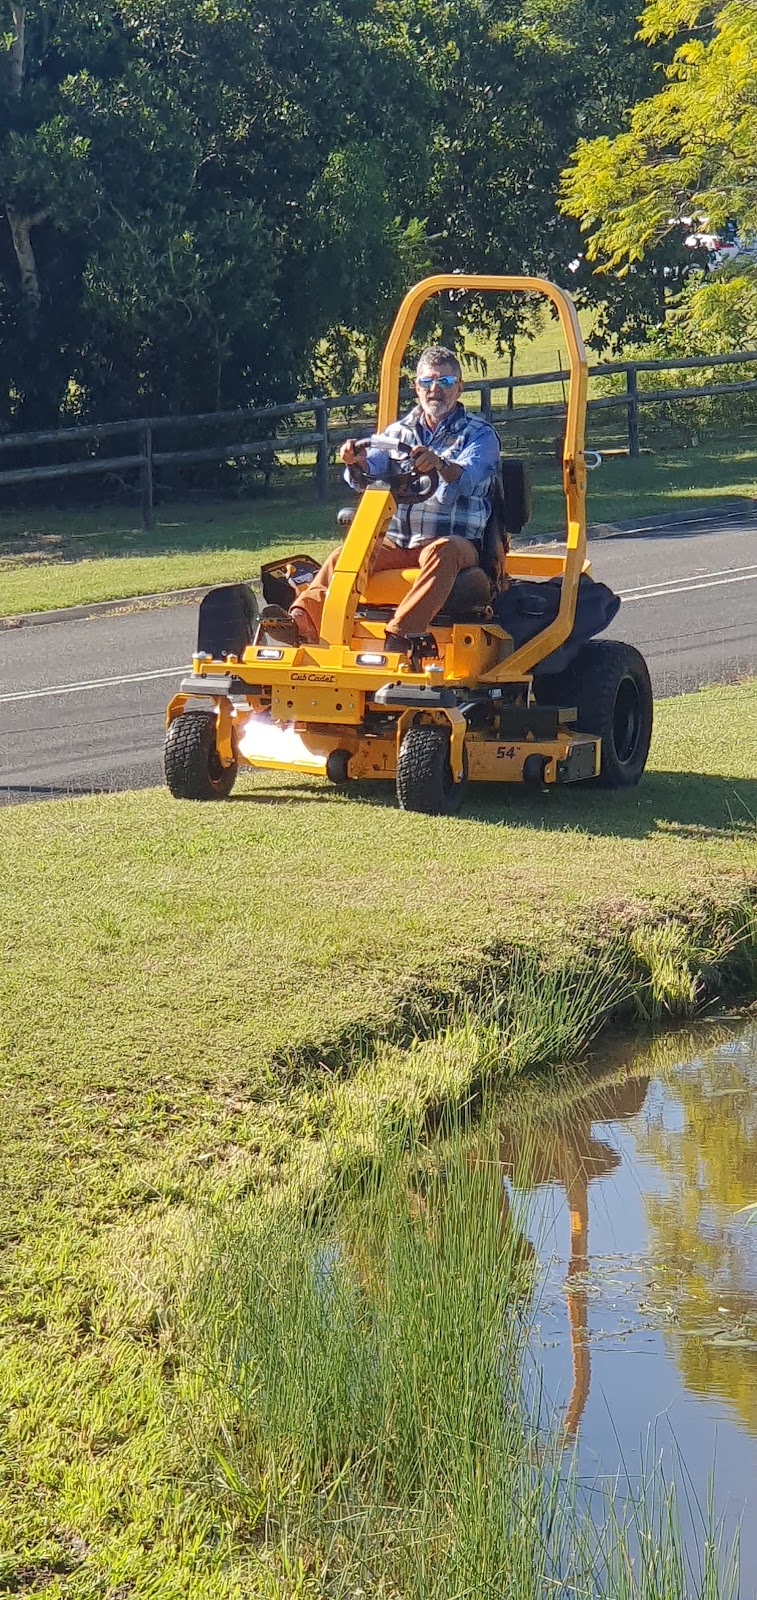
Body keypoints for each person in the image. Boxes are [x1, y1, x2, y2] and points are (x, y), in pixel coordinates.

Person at [289, 346, 501, 652]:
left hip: (455, 542)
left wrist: (439, 464)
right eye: (427, 383)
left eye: (444, 383)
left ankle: (402, 636)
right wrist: (356, 460)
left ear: (459, 387)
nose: (435, 391)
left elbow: (469, 477)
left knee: (443, 551)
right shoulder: (398, 432)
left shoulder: (479, 434)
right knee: (345, 555)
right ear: (416, 387)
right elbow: (372, 466)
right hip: (400, 539)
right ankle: (301, 621)